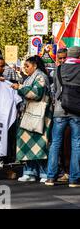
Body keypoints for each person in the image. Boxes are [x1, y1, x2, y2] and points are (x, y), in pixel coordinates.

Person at [11, 56, 52, 183]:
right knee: (28, 145)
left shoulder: (40, 76)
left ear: (35, 65)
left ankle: (43, 173)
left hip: (39, 115)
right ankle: (30, 172)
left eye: (27, 66)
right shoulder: (32, 77)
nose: (25, 69)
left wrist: (20, 88)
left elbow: (36, 93)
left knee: (40, 144)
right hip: (30, 114)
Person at [46, 46, 80, 188]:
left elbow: (55, 90)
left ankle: (50, 178)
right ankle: (74, 179)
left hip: (60, 110)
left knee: (55, 143)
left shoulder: (59, 69)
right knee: (76, 143)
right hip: (77, 111)